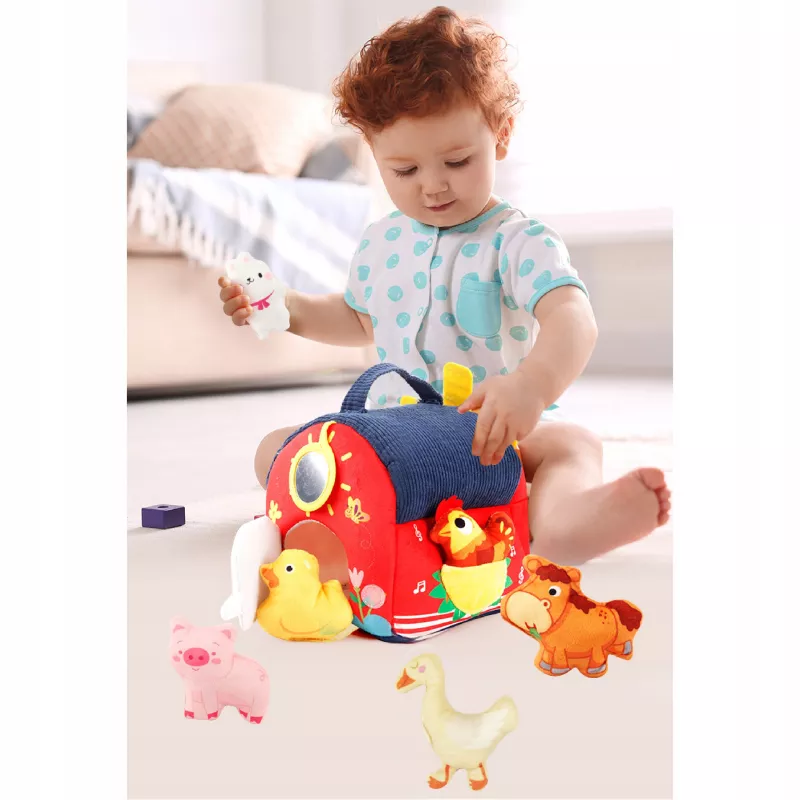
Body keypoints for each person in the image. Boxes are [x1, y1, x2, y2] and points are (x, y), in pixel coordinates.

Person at [217, 6, 670, 564]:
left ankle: (561, 524)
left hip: (492, 436)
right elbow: (359, 319)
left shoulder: (519, 240)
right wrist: (286, 306)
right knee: (276, 448)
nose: (432, 186)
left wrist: (530, 387)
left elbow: (572, 318)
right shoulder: (381, 242)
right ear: (375, 155)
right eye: (404, 171)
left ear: (500, 136)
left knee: (572, 444)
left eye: (456, 161)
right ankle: (366, 517)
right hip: (395, 437)